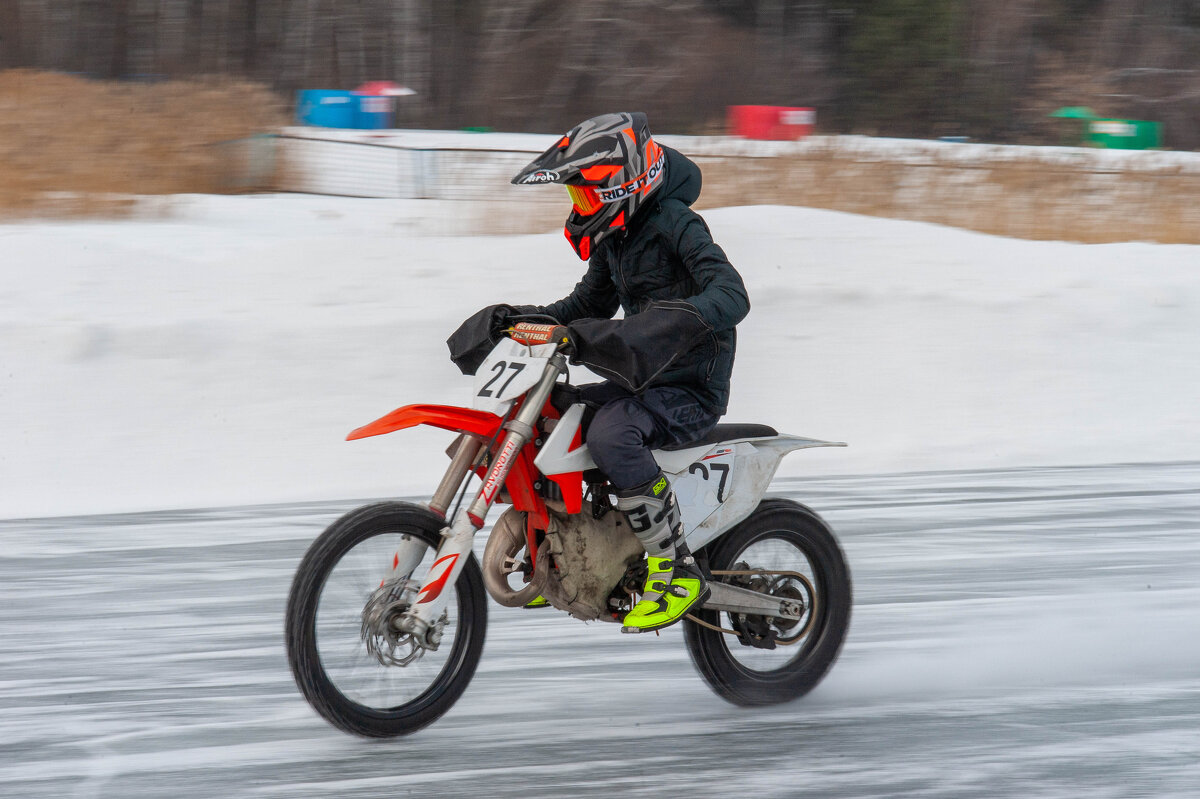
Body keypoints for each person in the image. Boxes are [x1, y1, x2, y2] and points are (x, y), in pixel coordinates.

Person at [463, 112, 749, 633]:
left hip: (689, 388)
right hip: (641, 378)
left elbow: (732, 294)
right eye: (576, 198)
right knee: (554, 416)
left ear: (625, 184)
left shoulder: (677, 224)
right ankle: (562, 555)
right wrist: (515, 320)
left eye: (586, 196)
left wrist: (673, 321)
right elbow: (584, 304)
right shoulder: (616, 235)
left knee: (613, 434)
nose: (581, 209)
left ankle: (676, 568)